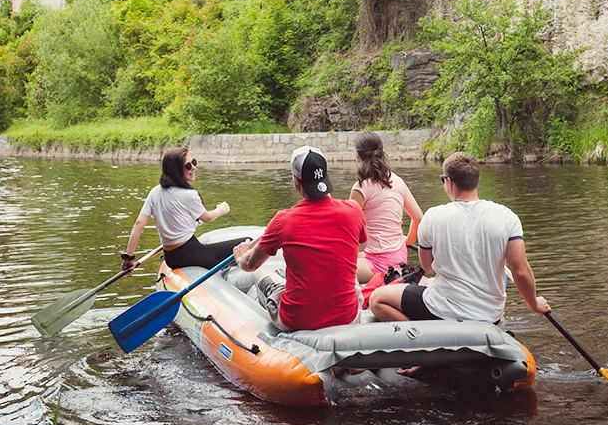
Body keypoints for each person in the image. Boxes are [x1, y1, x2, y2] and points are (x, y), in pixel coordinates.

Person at [370, 151, 551, 328]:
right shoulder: (507, 217)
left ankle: (422, 336)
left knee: (377, 299)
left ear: (449, 182)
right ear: (477, 180)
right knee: (432, 284)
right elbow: (520, 271)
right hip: (489, 315)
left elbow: (428, 267)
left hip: (442, 312)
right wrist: (534, 303)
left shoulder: (432, 217)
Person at [233, 146, 367, 332]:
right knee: (352, 277)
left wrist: (240, 256)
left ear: (296, 181)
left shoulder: (283, 220)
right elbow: (361, 245)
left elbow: (251, 265)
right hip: (346, 318)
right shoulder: (354, 210)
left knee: (262, 274)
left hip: (296, 321)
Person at [121, 147, 244, 271]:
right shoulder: (189, 195)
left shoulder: (155, 191)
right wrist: (221, 209)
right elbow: (207, 218)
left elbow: (139, 224)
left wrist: (129, 258)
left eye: (194, 163)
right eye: (188, 166)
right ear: (176, 170)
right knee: (246, 242)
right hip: (191, 254)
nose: (194, 167)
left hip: (171, 258)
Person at [351, 132, 424, 283]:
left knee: (334, 265)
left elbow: (348, 226)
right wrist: (408, 241)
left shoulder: (360, 188)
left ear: (358, 156)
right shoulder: (397, 181)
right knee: (358, 254)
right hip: (399, 256)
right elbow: (418, 217)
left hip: (378, 264)